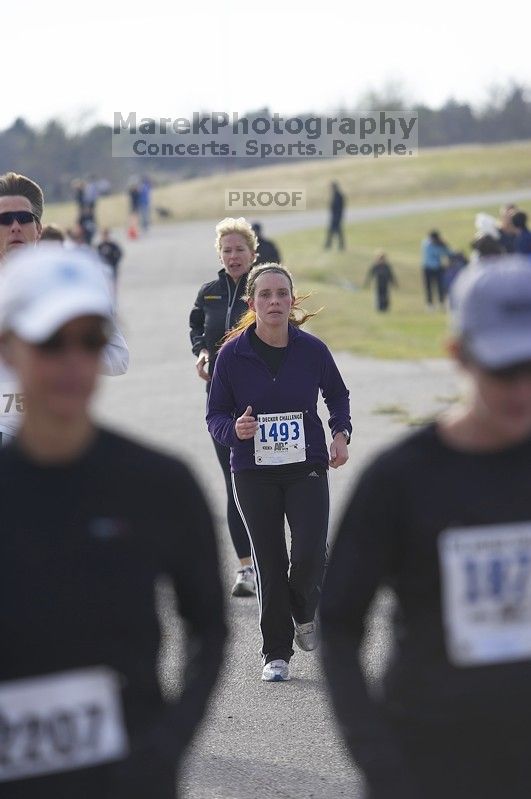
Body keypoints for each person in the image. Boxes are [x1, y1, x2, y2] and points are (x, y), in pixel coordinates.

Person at [0, 244, 226, 799]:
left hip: (128, 777)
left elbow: (209, 629)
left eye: (91, 341)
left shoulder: (160, 483)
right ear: (8, 347)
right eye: (51, 342)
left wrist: (166, 745)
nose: (74, 361)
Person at [321, 256, 531, 799]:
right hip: (428, 762)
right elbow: (340, 626)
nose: (523, 389)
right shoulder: (399, 480)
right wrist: (377, 758)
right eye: (505, 369)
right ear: (459, 355)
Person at [207, 263, 351, 682]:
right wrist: (233, 429)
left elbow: (337, 395)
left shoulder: (312, 350)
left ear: (292, 300)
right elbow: (215, 413)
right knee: (270, 560)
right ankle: (276, 652)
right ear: (251, 303)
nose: (274, 301)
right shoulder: (232, 354)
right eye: (265, 295)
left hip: (306, 465)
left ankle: (303, 610)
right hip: (253, 471)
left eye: (281, 294)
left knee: (309, 553)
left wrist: (340, 433)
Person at [0, 171, 129, 446]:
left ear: (38, 229)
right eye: (3, 220)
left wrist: (59, 350)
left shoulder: (73, 281)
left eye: (23, 219)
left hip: (57, 433)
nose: (14, 227)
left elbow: (119, 358)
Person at [189, 217, 257, 597]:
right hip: (219, 400)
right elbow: (197, 327)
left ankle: (278, 560)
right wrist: (200, 351)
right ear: (220, 253)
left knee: (268, 480)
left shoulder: (264, 288)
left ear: (252, 253)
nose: (233, 256)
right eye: (227, 250)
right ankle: (246, 568)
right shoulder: (209, 292)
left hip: (263, 400)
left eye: (240, 250)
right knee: (234, 481)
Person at [420, 230, 451, 309]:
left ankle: (441, 303)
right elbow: (438, 253)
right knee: (429, 287)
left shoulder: (438, 244)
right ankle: (430, 304)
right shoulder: (426, 244)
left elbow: (447, 253)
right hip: (427, 268)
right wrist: (442, 246)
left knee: (440, 286)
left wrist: (444, 246)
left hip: (437, 268)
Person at [325, 182, 345, 250]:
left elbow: (340, 208)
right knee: (332, 231)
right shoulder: (334, 195)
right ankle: (328, 244)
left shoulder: (339, 196)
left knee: (338, 232)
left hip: (337, 217)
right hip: (334, 216)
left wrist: (338, 217)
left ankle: (340, 245)